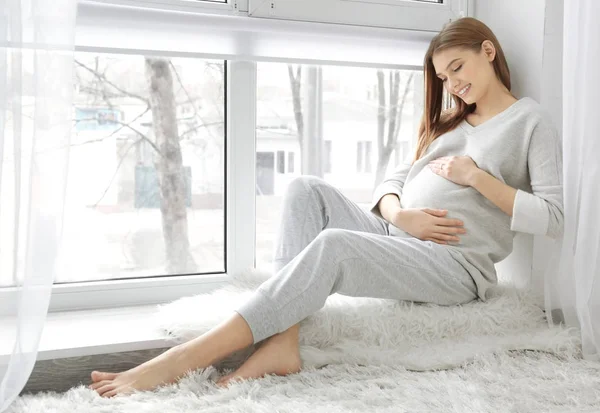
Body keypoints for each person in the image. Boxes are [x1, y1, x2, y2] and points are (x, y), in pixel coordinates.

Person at [88, 16, 563, 398]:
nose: (452, 83)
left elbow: (555, 219)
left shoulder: (530, 122)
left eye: (457, 68)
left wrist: (476, 178)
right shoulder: (449, 122)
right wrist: (401, 215)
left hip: (455, 264)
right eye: (442, 77)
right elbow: (393, 180)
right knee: (305, 188)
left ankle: (184, 359)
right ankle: (282, 340)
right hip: (401, 235)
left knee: (334, 246)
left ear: (488, 51)